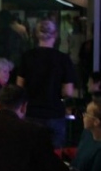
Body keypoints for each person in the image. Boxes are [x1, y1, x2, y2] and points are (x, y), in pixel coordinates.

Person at [17, 18, 77, 148]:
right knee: (54, 153)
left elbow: (19, 86)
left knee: (31, 151)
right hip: (54, 112)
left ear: (36, 34)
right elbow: (68, 91)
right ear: (55, 34)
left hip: (31, 112)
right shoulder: (63, 59)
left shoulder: (27, 56)